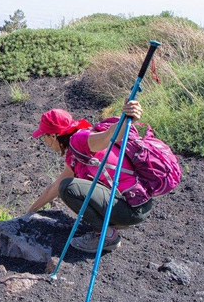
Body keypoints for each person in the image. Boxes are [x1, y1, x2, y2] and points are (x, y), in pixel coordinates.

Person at [27, 101, 153, 252]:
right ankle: (113, 223)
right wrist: (30, 212)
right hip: (136, 205)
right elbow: (54, 188)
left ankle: (107, 236)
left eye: (44, 136)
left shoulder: (79, 140)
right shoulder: (74, 154)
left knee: (69, 188)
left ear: (53, 135)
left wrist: (126, 119)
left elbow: (109, 136)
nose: (44, 142)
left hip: (132, 209)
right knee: (67, 186)